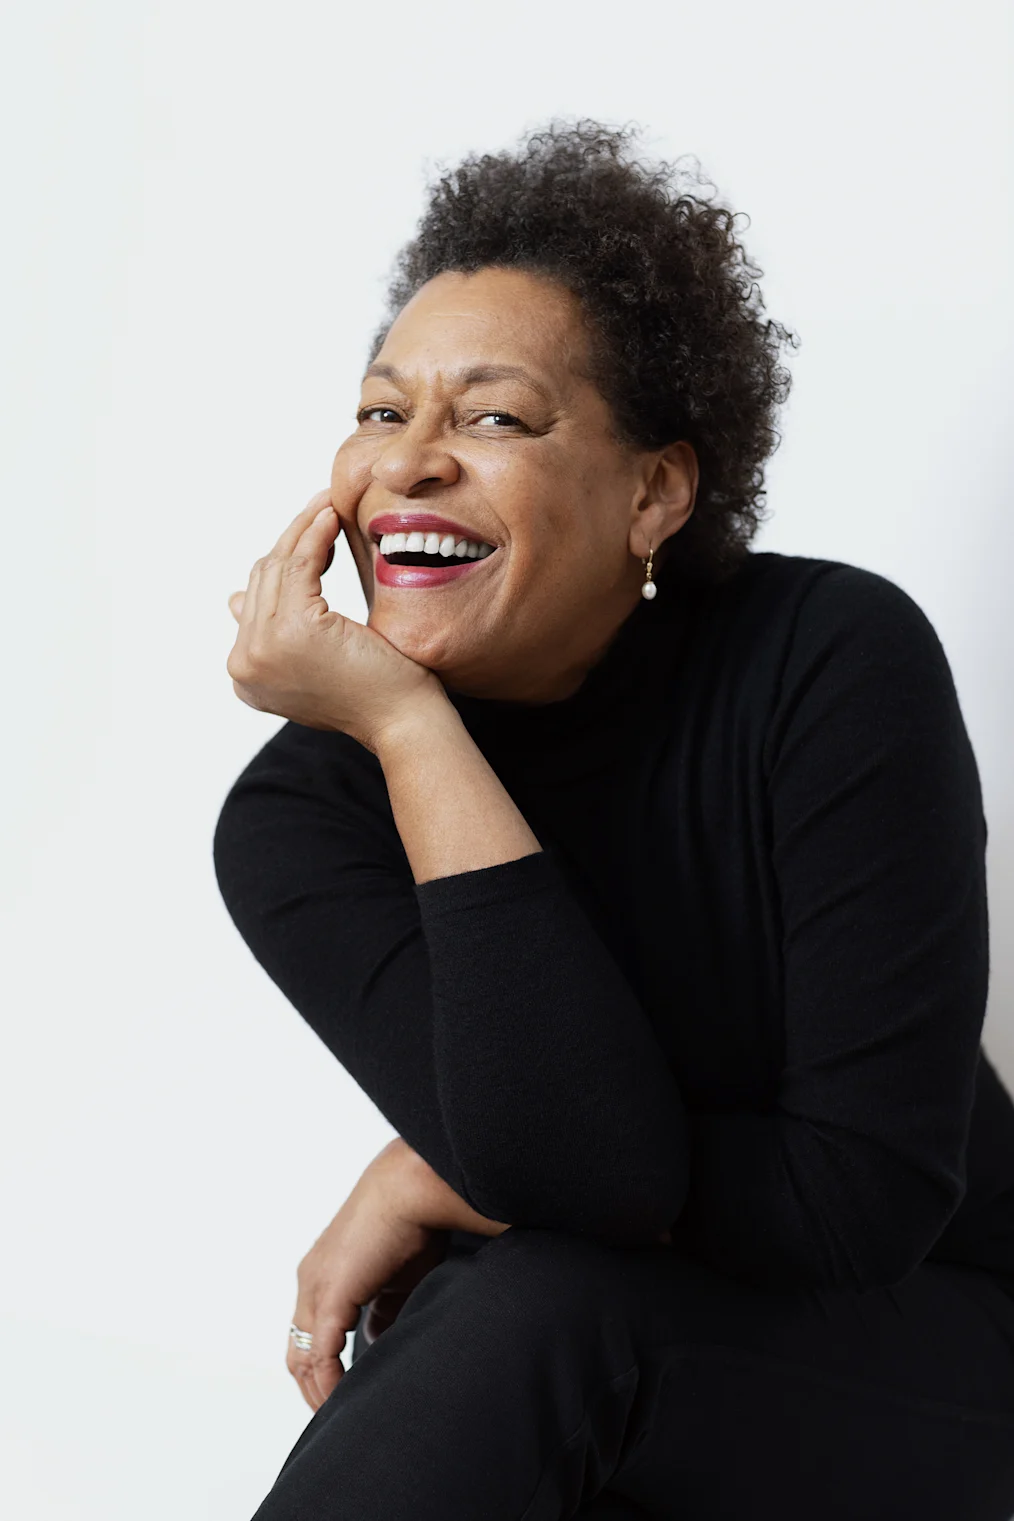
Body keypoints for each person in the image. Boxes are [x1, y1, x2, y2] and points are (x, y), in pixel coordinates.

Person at [212, 120, 1014, 1519]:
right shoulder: (300, 818)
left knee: (532, 1303)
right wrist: (409, 733)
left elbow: (855, 1205)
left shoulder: (824, 662)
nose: (409, 463)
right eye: (382, 410)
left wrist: (440, 1168)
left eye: (494, 417)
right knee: (526, 1296)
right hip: (623, 1357)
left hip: (953, 1356)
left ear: (655, 490)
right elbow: (576, 1171)